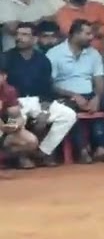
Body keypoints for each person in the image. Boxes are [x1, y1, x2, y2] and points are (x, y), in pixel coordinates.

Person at [48, 19, 104, 163]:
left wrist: (97, 97)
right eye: (87, 34)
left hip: (90, 93)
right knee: (69, 112)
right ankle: (83, 151)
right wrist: (74, 95)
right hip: (65, 95)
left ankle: (101, 148)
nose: (92, 37)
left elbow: (99, 80)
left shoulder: (93, 54)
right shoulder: (55, 54)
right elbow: (50, 85)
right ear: (75, 34)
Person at [3, 21, 76, 164]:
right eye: (17, 34)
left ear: (34, 39)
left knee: (69, 115)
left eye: (24, 35)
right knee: (17, 119)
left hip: (38, 101)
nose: (19, 38)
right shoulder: (6, 58)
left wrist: (45, 110)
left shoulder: (43, 60)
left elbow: (47, 89)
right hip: (15, 103)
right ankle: (22, 156)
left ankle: (42, 152)